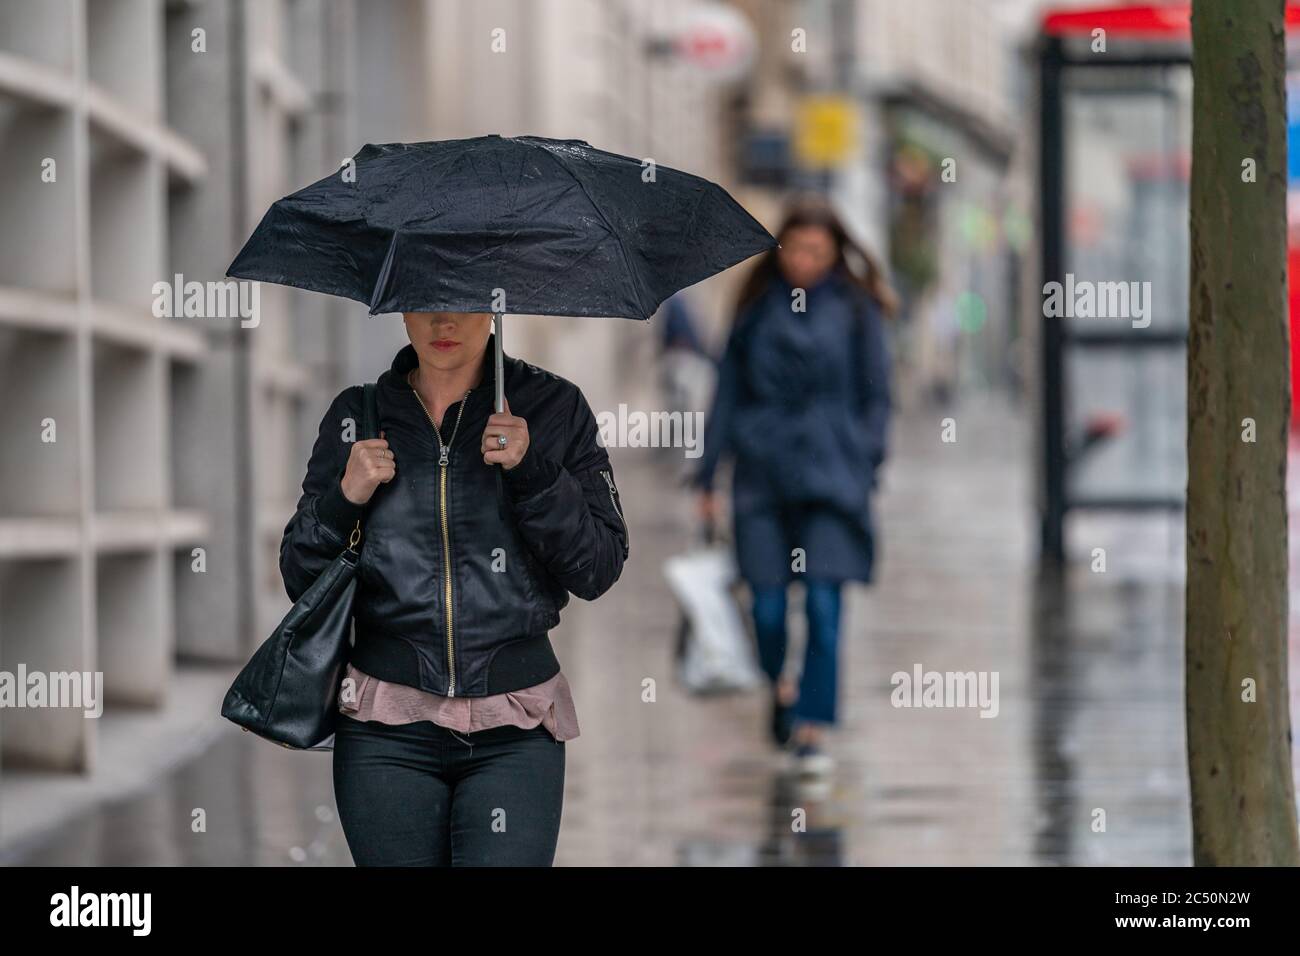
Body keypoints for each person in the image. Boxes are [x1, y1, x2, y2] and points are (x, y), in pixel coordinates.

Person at [280, 311, 629, 865]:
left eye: (462, 296)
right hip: (384, 728)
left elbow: (598, 566)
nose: (443, 318)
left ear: (493, 303)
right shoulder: (359, 414)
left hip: (515, 725)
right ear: (399, 305)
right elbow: (300, 576)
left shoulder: (554, 407)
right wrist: (346, 494)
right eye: (424, 297)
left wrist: (532, 471)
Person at [691, 197, 894, 775]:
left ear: (834, 253)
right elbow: (726, 392)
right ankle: (780, 683)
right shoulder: (755, 308)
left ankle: (812, 725)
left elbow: (878, 393)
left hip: (835, 478)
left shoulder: (858, 310)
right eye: (797, 248)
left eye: (818, 250)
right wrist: (708, 475)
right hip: (763, 478)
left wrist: (867, 456)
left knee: (827, 607)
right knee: (770, 608)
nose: (805, 260)